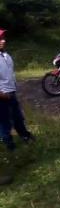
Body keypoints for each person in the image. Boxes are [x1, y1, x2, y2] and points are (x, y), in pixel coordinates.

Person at [0, 29, 34, 182]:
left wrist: (13, 90)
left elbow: (10, 75)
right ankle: (10, 147)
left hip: (11, 93)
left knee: (18, 118)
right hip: (2, 96)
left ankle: (25, 136)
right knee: (5, 123)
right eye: (0, 39)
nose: (3, 40)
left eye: (3, 38)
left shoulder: (6, 56)